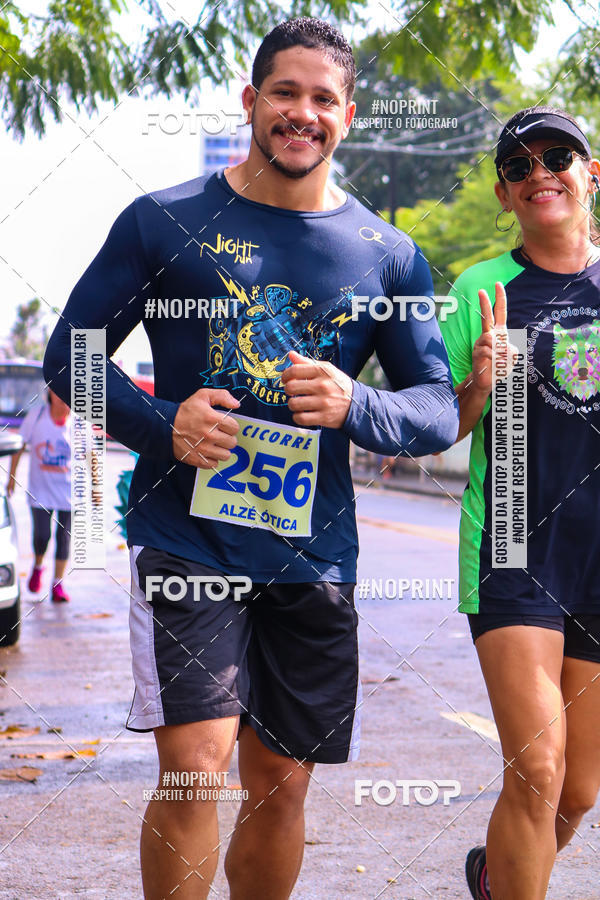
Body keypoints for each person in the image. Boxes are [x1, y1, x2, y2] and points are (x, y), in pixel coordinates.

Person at [44, 17, 458, 900]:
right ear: (251, 101)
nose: (300, 113)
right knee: (196, 763)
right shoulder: (165, 222)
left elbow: (431, 409)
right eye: (284, 93)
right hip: (187, 538)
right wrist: (164, 423)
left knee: (280, 783)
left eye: (321, 99)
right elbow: (68, 356)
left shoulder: (389, 255)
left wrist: (360, 404)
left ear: (346, 115)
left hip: (315, 556)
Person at [440, 106, 600, 900]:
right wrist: (480, 379)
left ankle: (496, 883)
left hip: (599, 555)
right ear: (505, 194)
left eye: (558, 156)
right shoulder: (481, 288)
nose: (540, 172)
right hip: (511, 544)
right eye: (519, 165)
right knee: (537, 766)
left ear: (589, 171)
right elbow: (446, 420)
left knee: (576, 792)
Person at [7, 389, 73, 603]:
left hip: (69, 493)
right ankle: (37, 566)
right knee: (42, 536)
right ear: (51, 394)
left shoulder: (80, 424)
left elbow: (91, 454)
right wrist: (11, 477)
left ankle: (57, 584)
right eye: (61, 393)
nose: (65, 400)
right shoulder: (35, 417)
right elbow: (19, 447)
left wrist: (95, 488)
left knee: (63, 539)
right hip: (40, 491)